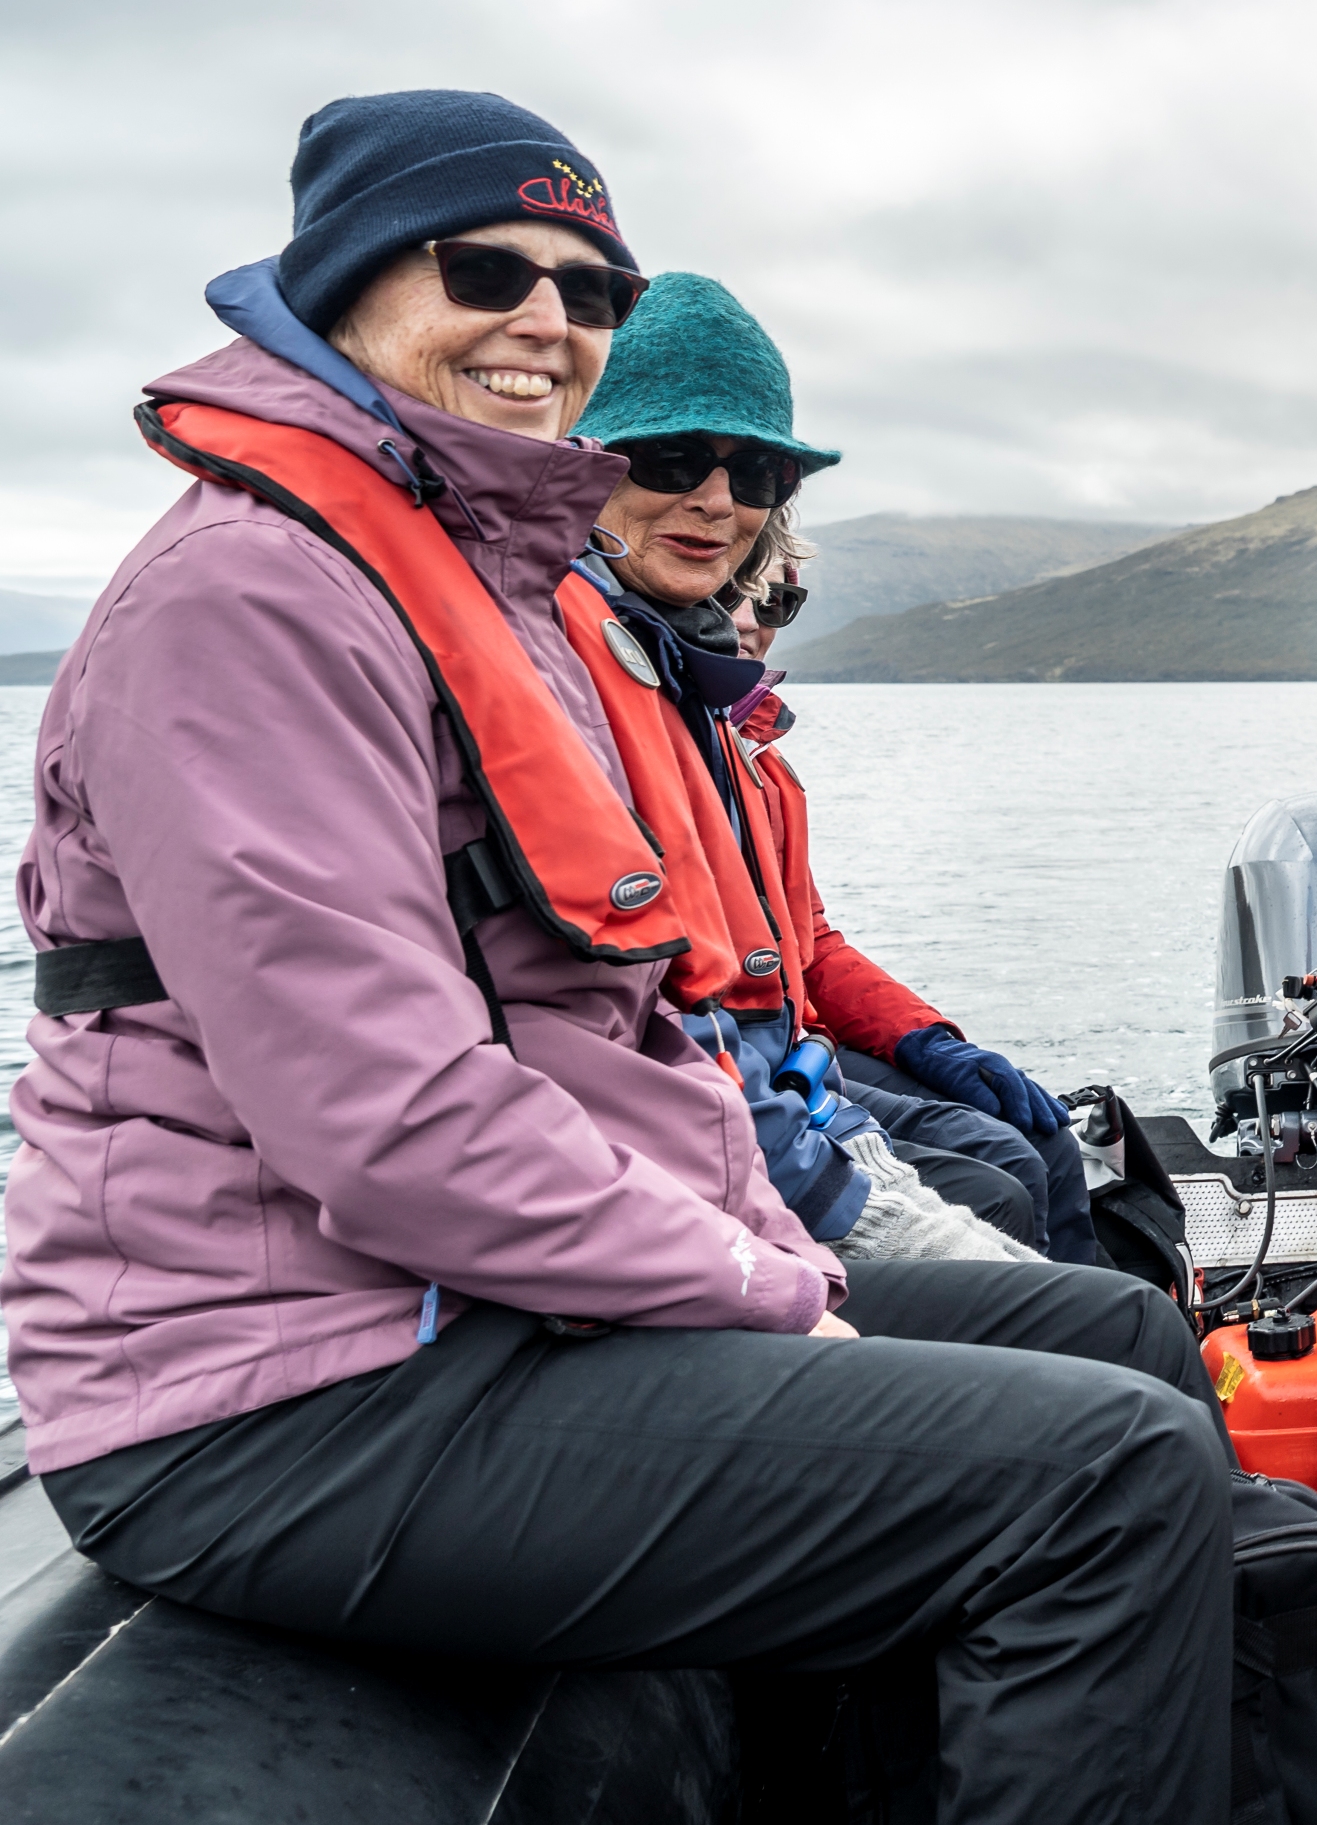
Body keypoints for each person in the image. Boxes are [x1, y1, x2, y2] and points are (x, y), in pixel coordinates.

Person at [5, 92, 1233, 1824]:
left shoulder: (456, 582)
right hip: (278, 1388)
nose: (547, 321)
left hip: (461, 1309)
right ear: (345, 283)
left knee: (1113, 1337)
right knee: (1106, 1479)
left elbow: (614, 1035)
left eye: (588, 291)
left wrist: (768, 1244)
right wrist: (766, 1290)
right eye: (486, 269)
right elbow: (385, 1118)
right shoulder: (251, 600)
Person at [575, 271, 1091, 1263]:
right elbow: (651, 1005)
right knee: (1005, 1182)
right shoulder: (594, 686)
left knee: (1032, 1151)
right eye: (671, 459)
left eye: (758, 479)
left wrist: (930, 1038)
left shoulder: (744, 749)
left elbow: (801, 943)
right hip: (728, 1117)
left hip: (782, 1075)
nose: (715, 502)